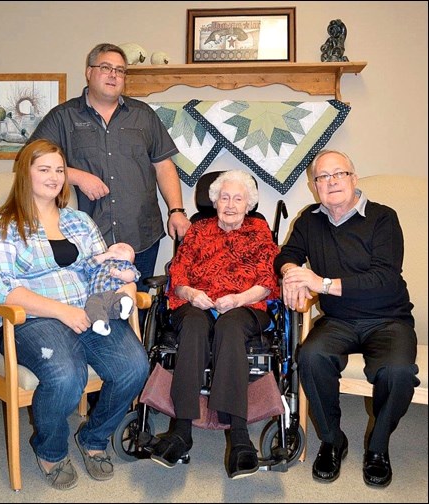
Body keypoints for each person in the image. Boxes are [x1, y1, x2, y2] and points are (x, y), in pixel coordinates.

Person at [0, 139, 149, 490]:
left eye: (59, 170)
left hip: (88, 314)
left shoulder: (80, 221)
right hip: (31, 320)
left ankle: (94, 438)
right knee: (66, 376)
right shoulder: (2, 225)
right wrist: (62, 312)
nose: (54, 176)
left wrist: (124, 287)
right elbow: (0, 288)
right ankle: (51, 451)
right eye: (44, 169)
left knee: (135, 366)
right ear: (25, 173)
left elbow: (103, 267)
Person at [274, 149, 419, 488]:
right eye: (323, 177)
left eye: (339, 174)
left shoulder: (383, 218)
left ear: (354, 179)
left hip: (389, 319)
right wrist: (292, 274)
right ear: (314, 186)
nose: (331, 181)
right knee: (309, 357)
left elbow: (384, 279)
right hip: (338, 320)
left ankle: (378, 448)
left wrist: (320, 283)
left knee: (397, 372)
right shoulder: (309, 219)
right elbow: (286, 254)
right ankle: (332, 439)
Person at [28, 42, 190, 304]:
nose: (114, 75)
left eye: (120, 70)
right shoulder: (63, 117)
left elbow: (164, 165)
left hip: (141, 235)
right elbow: (31, 162)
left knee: (135, 309)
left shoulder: (143, 116)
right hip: (84, 241)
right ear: (89, 72)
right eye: (106, 68)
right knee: (91, 311)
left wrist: (176, 211)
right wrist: (78, 176)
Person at [149, 170, 280, 479]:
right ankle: (181, 430)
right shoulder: (198, 229)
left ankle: (239, 436)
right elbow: (178, 273)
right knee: (193, 325)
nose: (231, 205)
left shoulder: (259, 230)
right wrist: (191, 293)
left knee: (230, 327)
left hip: (245, 305)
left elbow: (266, 279)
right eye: (225, 198)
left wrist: (237, 299)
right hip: (197, 304)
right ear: (215, 201)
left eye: (238, 199)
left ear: (249, 205)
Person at [85, 242, 140, 335]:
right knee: (92, 305)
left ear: (131, 260)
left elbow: (133, 276)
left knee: (122, 298)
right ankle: (101, 323)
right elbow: (88, 266)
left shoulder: (127, 265)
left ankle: (125, 307)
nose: (122, 246)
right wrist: (104, 256)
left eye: (127, 249)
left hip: (114, 294)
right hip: (96, 296)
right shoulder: (101, 263)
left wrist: (121, 274)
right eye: (117, 245)